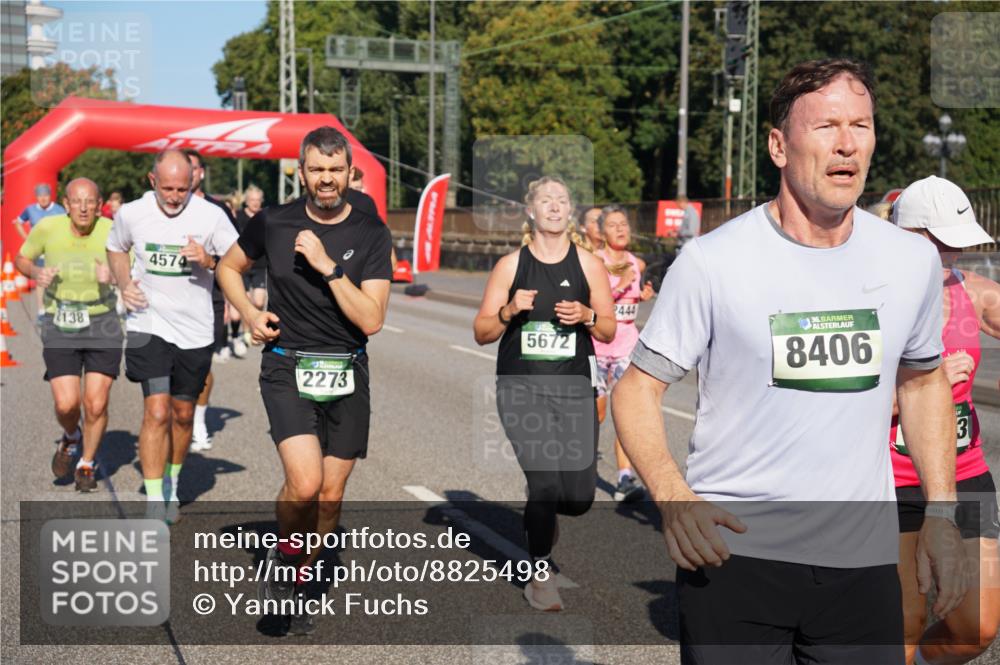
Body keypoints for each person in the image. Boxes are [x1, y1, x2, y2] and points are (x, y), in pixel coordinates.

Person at [612, 59, 968, 664]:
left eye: (861, 124)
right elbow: (635, 390)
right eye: (827, 125)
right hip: (736, 558)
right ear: (779, 145)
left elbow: (924, 382)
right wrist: (673, 496)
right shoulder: (712, 262)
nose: (848, 143)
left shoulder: (910, 262)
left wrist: (941, 512)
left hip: (863, 565)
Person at [217, 126, 392, 635]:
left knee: (330, 498)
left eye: (335, 170)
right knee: (306, 482)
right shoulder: (274, 221)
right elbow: (228, 267)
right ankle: (283, 560)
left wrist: (327, 266)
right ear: (301, 170)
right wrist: (249, 313)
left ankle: (299, 575)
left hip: (347, 368)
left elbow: (372, 320)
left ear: (350, 173)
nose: (326, 179)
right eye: (316, 169)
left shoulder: (371, 232)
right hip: (286, 364)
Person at [473, 176, 615, 612]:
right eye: (546, 200)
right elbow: (481, 332)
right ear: (530, 211)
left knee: (577, 498)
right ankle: (539, 572)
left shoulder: (589, 265)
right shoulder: (510, 267)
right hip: (521, 388)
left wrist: (589, 315)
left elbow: (609, 329)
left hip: (573, 391)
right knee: (544, 481)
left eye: (563, 200)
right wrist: (509, 309)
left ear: (569, 211)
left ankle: (543, 518)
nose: (555, 206)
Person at [890, 175, 1000, 665]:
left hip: (965, 474)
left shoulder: (970, 293)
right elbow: (829, 404)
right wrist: (919, 386)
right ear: (909, 237)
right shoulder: (867, 301)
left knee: (977, 626)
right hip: (890, 480)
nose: (954, 258)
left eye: (959, 246)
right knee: (902, 624)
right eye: (944, 247)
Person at [106, 149, 238, 523]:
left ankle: (172, 483)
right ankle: (152, 502)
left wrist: (208, 260)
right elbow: (116, 248)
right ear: (153, 182)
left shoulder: (211, 216)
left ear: (194, 182)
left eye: (183, 188)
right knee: (157, 410)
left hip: (194, 329)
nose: (175, 196)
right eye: (168, 188)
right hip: (148, 323)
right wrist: (123, 283)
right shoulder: (132, 213)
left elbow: (239, 260)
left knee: (182, 415)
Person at [14, 178, 121, 492]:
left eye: (91, 201)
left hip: (103, 322)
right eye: (77, 201)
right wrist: (36, 272)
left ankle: (86, 463)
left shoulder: (112, 230)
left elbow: (134, 267)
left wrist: (113, 275)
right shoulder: (48, 228)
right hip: (61, 322)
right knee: (66, 404)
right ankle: (72, 435)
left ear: (99, 203)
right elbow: (22, 258)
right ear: (67, 203)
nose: (84, 208)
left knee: (97, 403)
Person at [592, 205, 654, 503]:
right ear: (602, 232)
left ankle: (624, 478)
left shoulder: (636, 263)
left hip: (627, 342)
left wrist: (641, 295)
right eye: (613, 225)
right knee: (597, 413)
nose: (620, 229)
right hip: (596, 343)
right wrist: (624, 284)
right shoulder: (594, 262)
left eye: (624, 224)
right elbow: (597, 300)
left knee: (625, 411)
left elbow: (628, 305)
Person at [183, 149, 240, 452]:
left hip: (210, 298)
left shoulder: (218, 211)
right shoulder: (162, 207)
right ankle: (174, 416)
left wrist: (209, 260)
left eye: (192, 169)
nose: (187, 174)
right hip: (170, 302)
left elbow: (236, 256)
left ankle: (199, 421)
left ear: (201, 173)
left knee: (200, 365)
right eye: (182, 168)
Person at [14, 183, 67, 319]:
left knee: (58, 278)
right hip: (39, 252)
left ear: (50, 196)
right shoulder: (30, 210)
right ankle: (41, 309)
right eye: (40, 196)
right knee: (41, 278)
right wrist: (27, 238)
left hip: (57, 250)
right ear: (36, 197)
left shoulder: (59, 209)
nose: (43, 199)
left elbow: (68, 226)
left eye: (45, 196)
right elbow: (18, 222)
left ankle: (59, 305)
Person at [230, 184, 266, 357]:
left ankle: (252, 326)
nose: (255, 203)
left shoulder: (265, 216)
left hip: (261, 264)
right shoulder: (238, 217)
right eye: (252, 200)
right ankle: (246, 332)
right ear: (246, 201)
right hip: (243, 264)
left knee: (258, 301)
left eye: (258, 200)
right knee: (245, 300)